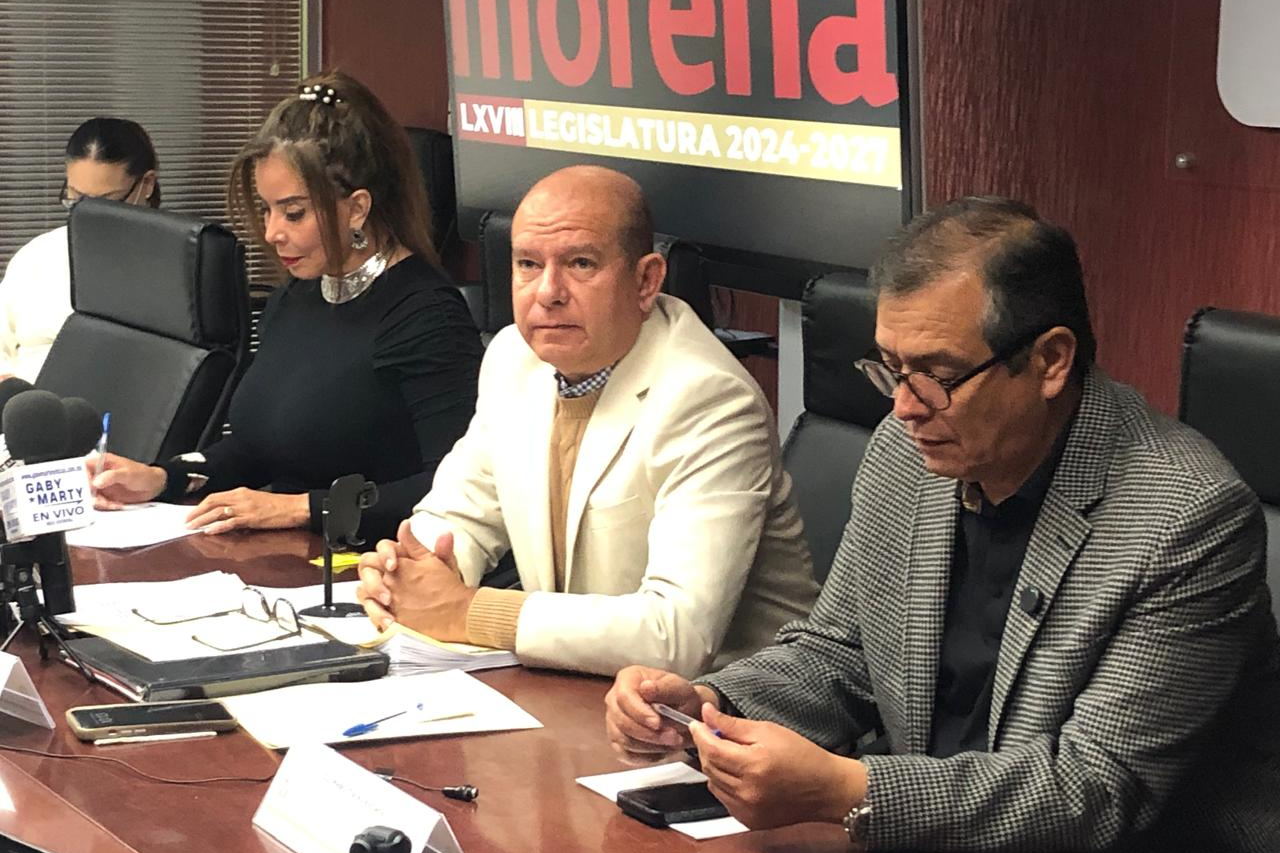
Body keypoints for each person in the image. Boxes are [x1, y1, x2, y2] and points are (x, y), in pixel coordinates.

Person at [605, 197, 1280, 853]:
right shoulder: (906, 455)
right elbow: (840, 652)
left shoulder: (1186, 516)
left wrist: (850, 790)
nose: (904, 406)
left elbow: (1098, 787)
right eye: (891, 368)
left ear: (1050, 361)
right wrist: (708, 706)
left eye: (939, 374)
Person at [355, 165, 818, 677]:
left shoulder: (708, 398)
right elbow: (461, 511)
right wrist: (411, 572)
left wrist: (468, 611)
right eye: (528, 264)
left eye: (580, 264)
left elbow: (678, 634)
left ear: (646, 280)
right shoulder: (514, 357)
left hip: (720, 705)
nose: (547, 292)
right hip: (578, 684)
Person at [91, 71, 483, 543]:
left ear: (357, 208)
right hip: (283, 555)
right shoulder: (296, 296)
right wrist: (164, 478)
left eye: (293, 212)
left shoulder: (427, 317)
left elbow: (456, 490)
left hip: (374, 562)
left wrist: (301, 508)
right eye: (266, 208)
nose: (273, 232)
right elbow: (257, 449)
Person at [0, 117, 160, 382]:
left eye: (106, 202)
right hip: (23, 400)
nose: (87, 214)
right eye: (75, 199)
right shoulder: (38, 256)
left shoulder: (172, 267)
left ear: (147, 184)